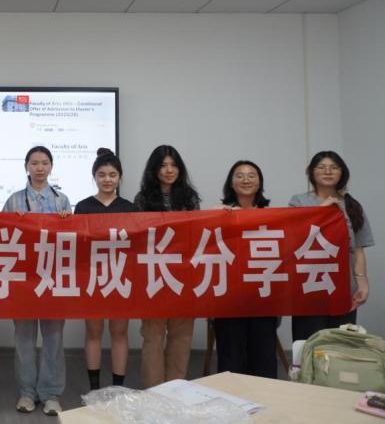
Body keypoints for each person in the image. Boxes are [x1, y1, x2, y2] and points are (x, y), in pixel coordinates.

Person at [3, 146, 71, 417]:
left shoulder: (62, 201)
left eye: (44, 163)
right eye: (34, 163)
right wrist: (13, 223)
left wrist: (67, 222)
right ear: (26, 167)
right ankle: (27, 392)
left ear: (51, 167)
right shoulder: (14, 201)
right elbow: (1, 237)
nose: (40, 168)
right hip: (23, 278)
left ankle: (51, 394)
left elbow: (70, 241)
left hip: (53, 278)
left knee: (54, 337)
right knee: (24, 337)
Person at [133, 144, 200, 388]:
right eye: (163, 165)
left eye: (173, 165)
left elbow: (196, 235)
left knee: (181, 337)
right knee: (153, 336)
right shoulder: (142, 199)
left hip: (184, 275)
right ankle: (154, 392)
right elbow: (140, 238)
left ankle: (176, 390)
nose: (169, 170)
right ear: (154, 169)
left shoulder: (190, 198)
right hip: (154, 275)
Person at [289, 151, 373, 342]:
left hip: (344, 285)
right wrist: (322, 211)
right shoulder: (298, 201)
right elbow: (294, 236)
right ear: (311, 172)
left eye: (334, 167)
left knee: (340, 341)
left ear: (342, 173)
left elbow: (358, 249)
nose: (328, 171)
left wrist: (362, 282)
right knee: (308, 341)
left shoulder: (352, 205)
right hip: (308, 284)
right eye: (321, 167)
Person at [74, 148, 135, 390]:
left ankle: (118, 388)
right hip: (92, 276)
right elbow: (77, 244)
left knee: (119, 333)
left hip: (121, 276)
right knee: (93, 332)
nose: (107, 179)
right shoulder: (83, 206)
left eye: (112, 175)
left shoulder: (130, 208)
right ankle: (95, 389)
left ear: (120, 177)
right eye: (102, 175)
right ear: (94, 177)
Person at [213, 160, 278, 378]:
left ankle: (264, 396)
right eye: (240, 176)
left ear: (259, 183)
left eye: (252, 175)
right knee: (231, 355)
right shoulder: (220, 213)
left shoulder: (273, 215)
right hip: (229, 296)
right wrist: (214, 216)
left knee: (263, 354)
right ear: (231, 183)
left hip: (263, 294)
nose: (246, 180)